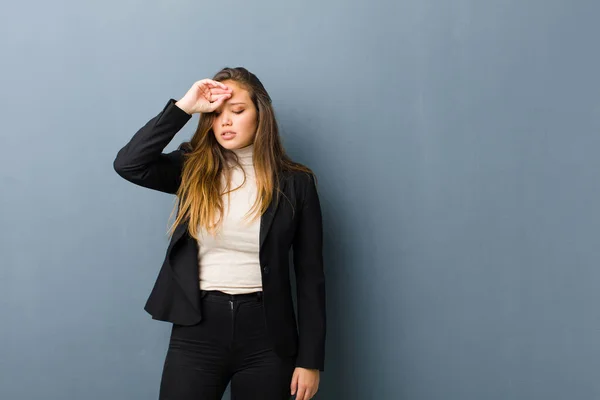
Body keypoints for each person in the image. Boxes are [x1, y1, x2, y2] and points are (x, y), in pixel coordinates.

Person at [113, 67, 326, 400]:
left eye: (238, 111)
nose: (225, 121)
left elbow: (311, 276)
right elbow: (129, 164)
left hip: (268, 337)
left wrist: (310, 360)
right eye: (215, 114)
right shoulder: (193, 169)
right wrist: (185, 106)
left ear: (261, 115)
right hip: (198, 330)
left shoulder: (296, 183)